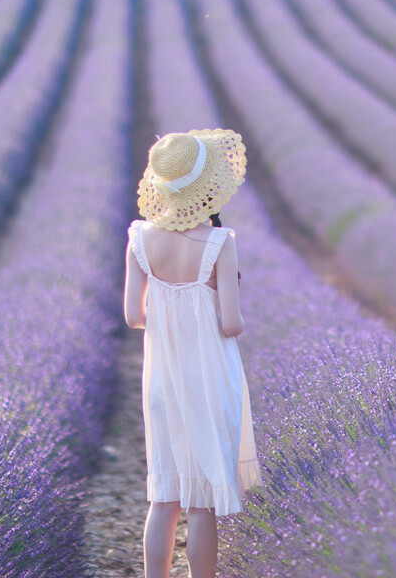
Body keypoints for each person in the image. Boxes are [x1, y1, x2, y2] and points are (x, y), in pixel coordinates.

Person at [123, 128, 263, 578]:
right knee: (202, 502)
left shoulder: (140, 239)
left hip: (163, 381)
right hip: (208, 379)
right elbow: (231, 324)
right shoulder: (220, 243)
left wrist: (168, 316)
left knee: (163, 496)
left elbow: (133, 315)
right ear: (210, 190)